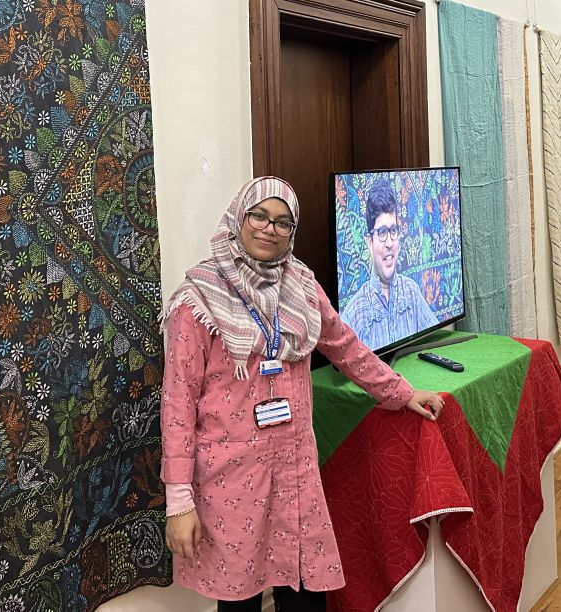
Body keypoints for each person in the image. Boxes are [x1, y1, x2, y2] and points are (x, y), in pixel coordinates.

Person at [161, 176, 444, 611]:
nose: (268, 229)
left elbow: (345, 346)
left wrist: (401, 392)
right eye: (259, 215)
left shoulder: (302, 287)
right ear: (240, 216)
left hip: (295, 472)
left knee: (306, 591)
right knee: (240, 599)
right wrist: (179, 503)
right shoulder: (198, 299)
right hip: (230, 478)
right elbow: (177, 405)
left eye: (282, 222)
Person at [343, 179, 439, 349]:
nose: (389, 243)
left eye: (393, 231)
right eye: (381, 233)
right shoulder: (354, 314)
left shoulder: (412, 292)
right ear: (369, 241)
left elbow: (436, 340)